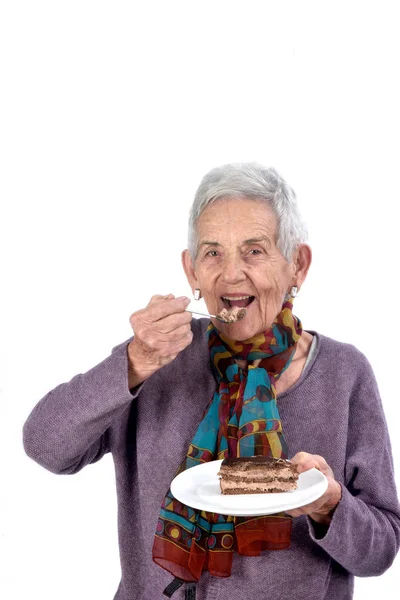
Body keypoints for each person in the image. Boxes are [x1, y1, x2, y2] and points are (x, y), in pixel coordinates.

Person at [23, 162, 400, 600]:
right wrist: (133, 362)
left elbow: (382, 549)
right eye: (213, 252)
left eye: (255, 250)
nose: (231, 273)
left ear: (298, 264)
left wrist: (328, 506)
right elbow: (46, 446)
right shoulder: (156, 356)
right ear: (192, 271)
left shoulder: (343, 372)